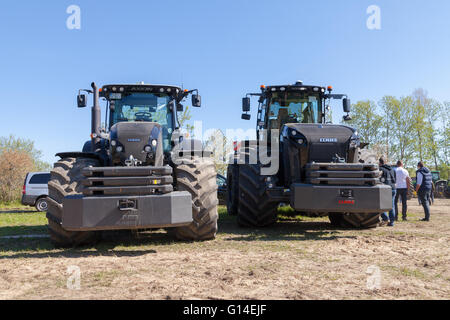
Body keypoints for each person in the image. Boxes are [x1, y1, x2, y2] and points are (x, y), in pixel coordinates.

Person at [379, 157, 397, 226]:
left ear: (380, 162)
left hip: (385, 189)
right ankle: (392, 222)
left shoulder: (380, 169)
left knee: (381, 205)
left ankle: (385, 218)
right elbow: (395, 180)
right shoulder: (392, 169)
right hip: (393, 188)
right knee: (392, 206)